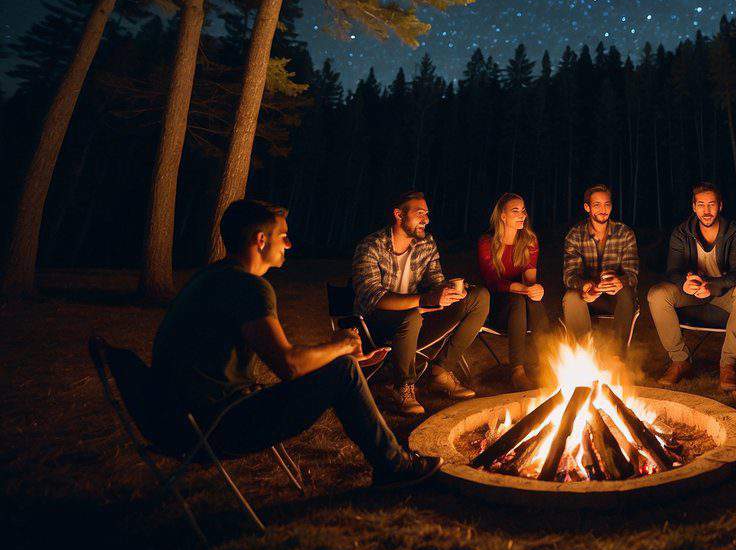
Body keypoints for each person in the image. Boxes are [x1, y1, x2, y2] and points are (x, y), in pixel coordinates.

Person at [151, 200, 440, 487]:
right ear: (260, 240)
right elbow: (289, 365)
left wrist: (341, 355)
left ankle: (393, 462)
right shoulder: (249, 288)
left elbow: (279, 353)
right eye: (283, 236)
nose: (288, 244)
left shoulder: (210, 277)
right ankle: (395, 466)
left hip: (175, 421)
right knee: (345, 373)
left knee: (343, 367)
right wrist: (342, 347)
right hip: (215, 426)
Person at [353, 191, 489, 416]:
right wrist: (423, 301)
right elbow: (372, 297)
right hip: (376, 325)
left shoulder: (425, 243)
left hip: (417, 320)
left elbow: (435, 282)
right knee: (413, 314)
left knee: (479, 297)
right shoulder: (370, 246)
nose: (426, 219)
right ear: (398, 214)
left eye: (427, 213)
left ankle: (440, 371)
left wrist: (451, 292)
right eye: (419, 213)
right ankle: (403, 386)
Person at [647, 182, 736, 391]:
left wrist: (713, 286)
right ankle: (680, 361)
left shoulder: (735, 232)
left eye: (711, 205)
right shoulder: (681, 233)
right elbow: (673, 270)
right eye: (701, 205)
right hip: (691, 290)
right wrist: (683, 284)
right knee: (657, 294)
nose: (707, 211)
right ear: (694, 207)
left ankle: (728, 364)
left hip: (722, 290)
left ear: (720, 206)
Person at [477, 193, 550, 390]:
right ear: (502, 216)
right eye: (515, 211)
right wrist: (524, 289)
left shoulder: (529, 241)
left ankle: (548, 363)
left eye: (523, 210)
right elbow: (493, 282)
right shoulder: (487, 243)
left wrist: (535, 289)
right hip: (496, 307)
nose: (522, 215)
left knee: (533, 300)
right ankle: (517, 371)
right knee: (517, 299)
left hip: (523, 304)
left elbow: (530, 279)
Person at [560, 184, 640, 356]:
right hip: (588, 294)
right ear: (587, 207)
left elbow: (632, 274)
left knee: (627, 293)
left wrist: (620, 281)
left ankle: (617, 359)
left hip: (615, 295)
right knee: (571, 297)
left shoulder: (624, 233)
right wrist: (585, 285)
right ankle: (584, 356)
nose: (603, 210)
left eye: (607, 204)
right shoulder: (575, 235)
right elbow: (569, 276)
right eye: (597, 205)